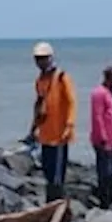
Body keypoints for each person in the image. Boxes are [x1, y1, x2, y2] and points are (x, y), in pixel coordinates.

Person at [27, 42, 76, 202]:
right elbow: (39, 104)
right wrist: (33, 128)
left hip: (59, 135)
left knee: (57, 176)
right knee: (48, 172)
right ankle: (50, 205)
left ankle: (57, 205)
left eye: (43, 58)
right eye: (37, 59)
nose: (40, 62)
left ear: (50, 58)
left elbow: (71, 102)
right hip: (45, 134)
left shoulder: (62, 77)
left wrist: (69, 125)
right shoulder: (40, 80)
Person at [89, 65, 112, 208]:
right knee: (105, 173)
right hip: (103, 140)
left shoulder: (111, 92)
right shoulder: (99, 93)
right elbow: (97, 116)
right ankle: (105, 202)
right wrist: (103, 137)